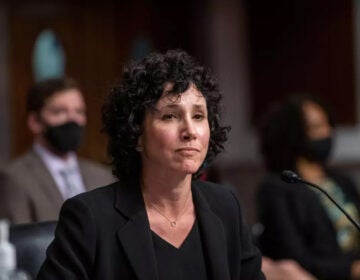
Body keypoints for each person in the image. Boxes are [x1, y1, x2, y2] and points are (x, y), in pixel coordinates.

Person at [36, 49, 265, 279]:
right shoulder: (90, 218)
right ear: (136, 134)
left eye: (198, 116)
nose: (190, 132)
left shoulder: (225, 206)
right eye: (170, 116)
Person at [257, 94, 360, 280]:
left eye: (327, 124)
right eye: (316, 127)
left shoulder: (342, 180)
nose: (327, 132)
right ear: (294, 133)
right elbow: (294, 258)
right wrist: (351, 270)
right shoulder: (277, 189)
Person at [0, 77, 115, 224]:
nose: (72, 119)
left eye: (79, 111)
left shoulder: (103, 176)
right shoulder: (15, 178)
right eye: (60, 112)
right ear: (35, 122)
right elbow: (20, 242)